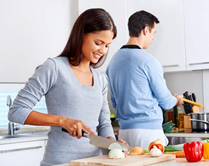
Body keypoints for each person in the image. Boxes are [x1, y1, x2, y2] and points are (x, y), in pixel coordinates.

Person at [8, 8, 127, 166]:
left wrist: (112, 144)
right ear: (81, 35)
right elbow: (16, 111)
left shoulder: (100, 79)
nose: (103, 51)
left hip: (94, 162)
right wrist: (62, 121)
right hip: (60, 162)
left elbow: (104, 123)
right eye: (98, 43)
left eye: (107, 45)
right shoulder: (54, 68)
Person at [106, 10, 183, 149]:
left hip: (124, 133)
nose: (153, 38)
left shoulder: (113, 62)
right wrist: (177, 100)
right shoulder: (149, 62)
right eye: (153, 32)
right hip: (149, 133)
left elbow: (114, 101)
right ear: (145, 30)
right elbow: (166, 102)